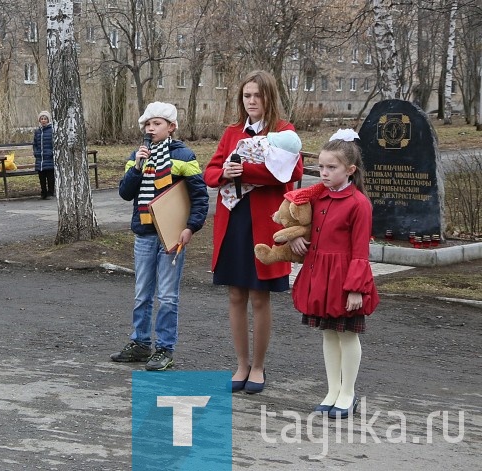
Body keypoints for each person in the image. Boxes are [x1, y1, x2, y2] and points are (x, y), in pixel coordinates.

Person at [203, 70, 302, 394]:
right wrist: (225, 172)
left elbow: (294, 171)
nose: (252, 101)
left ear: (269, 97)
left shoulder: (283, 131)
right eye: (247, 96)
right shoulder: (232, 132)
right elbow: (210, 171)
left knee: (259, 297)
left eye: (257, 96)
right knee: (235, 295)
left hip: (264, 222)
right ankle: (241, 364)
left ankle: (258, 367)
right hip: (234, 220)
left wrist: (247, 169)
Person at [110, 102, 209, 370]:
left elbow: (199, 196)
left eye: (157, 124)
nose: (150, 128)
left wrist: (191, 227)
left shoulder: (184, 156)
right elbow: (125, 192)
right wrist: (137, 167)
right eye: (147, 124)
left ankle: (165, 348)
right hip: (144, 234)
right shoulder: (138, 155)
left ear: (171, 127)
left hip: (171, 236)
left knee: (167, 295)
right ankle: (140, 343)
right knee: (142, 293)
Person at [289, 131, 378, 418]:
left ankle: (348, 393)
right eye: (322, 167)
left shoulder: (359, 204)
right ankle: (332, 390)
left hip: (344, 278)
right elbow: (300, 224)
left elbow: (360, 251)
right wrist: (295, 239)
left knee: (348, 336)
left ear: (350, 170)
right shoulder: (318, 197)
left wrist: (356, 288)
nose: (324, 173)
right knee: (328, 333)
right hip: (319, 274)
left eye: (331, 168)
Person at [33, 110, 55, 199]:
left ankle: (50, 192)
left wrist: (51, 152)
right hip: (40, 158)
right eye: (41, 119)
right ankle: (43, 192)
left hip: (49, 157)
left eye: (45, 119)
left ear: (48, 120)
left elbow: (55, 143)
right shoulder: (37, 132)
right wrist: (36, 152)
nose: (43, 120)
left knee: (50, 176)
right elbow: (35, 144)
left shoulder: (52, 131)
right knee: (41, 176)